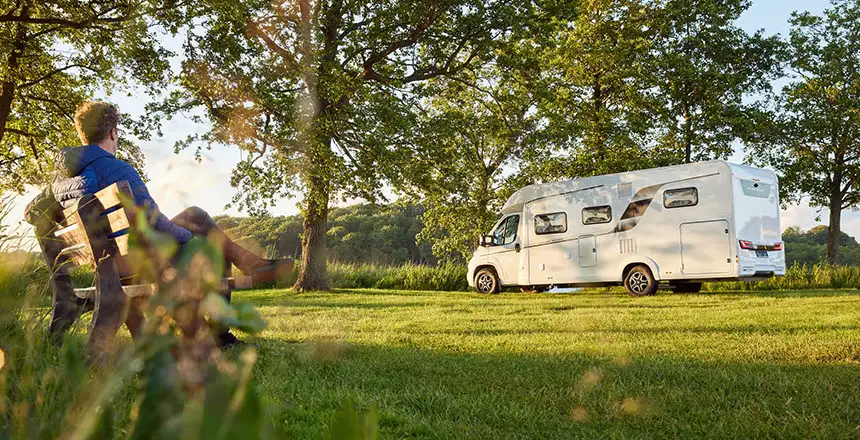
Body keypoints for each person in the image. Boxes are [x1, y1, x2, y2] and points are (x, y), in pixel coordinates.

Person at [48, 101, 293, 346]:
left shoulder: (64, 180)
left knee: (195, 216)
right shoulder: (116, 170)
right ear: (112, 132)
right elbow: (155, 224)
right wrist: (188, 238)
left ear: (83, 134)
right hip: (140, 263)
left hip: (111, 265)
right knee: (212, 241)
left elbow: (32, 211)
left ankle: (249, 264)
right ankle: (222, 329)